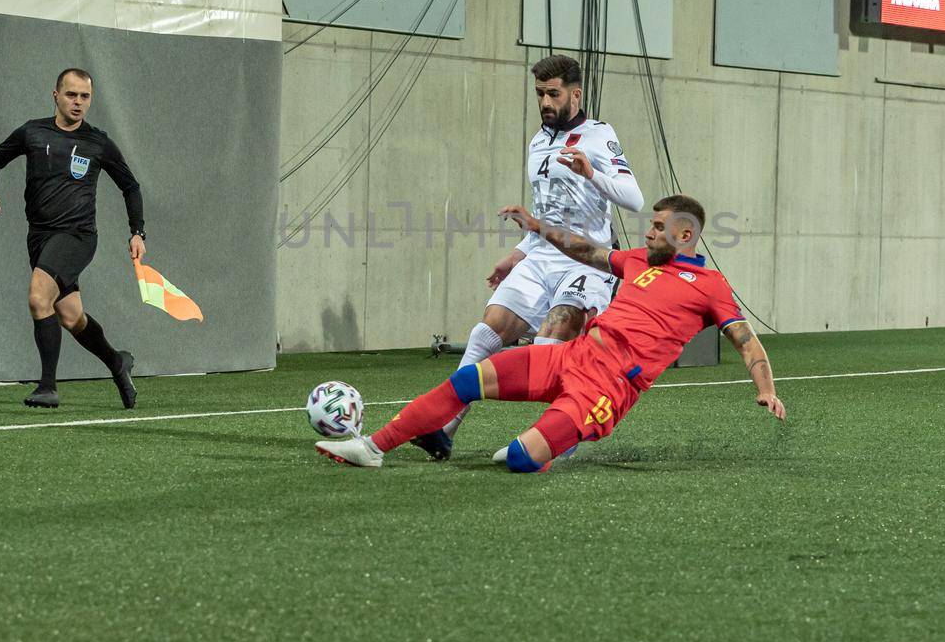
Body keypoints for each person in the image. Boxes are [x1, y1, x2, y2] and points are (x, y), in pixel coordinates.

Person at [317, 195, 784, 470]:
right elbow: (585, 250)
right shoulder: (639, 262)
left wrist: (766, 389)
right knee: (468, 380)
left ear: (686, 236)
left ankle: (558, 438)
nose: (648, 235)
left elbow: (746, 340)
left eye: (659, 229)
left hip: (609, 387)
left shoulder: (710, 286)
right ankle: (372, 448)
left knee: (519, 460)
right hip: (573, 356)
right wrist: (539, 228)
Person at [411, 54, 646, 461]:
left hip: (587, 261)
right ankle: (444, 429)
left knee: (552, 338)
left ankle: (555, 438)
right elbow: (546, 217)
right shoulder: (538, 142)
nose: (545, 102)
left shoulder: (599, 136)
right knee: (488, 331)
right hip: (542, 256)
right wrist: (517, 255)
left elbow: (635, 200)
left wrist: (593, 174)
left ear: (575, 93)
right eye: (539, 94)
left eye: (553, 94)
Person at [0, 68, 145, 409]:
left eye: (85, 96)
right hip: (40, 236)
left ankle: (48, 386)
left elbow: (130, 186)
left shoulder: (98, 142)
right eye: (71, 95)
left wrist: (137, 231)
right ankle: (117, 363)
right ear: (56, 95)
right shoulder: (33, 132)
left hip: (78, 236)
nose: (78, 102)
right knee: (70, 316)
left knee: (39, 298)